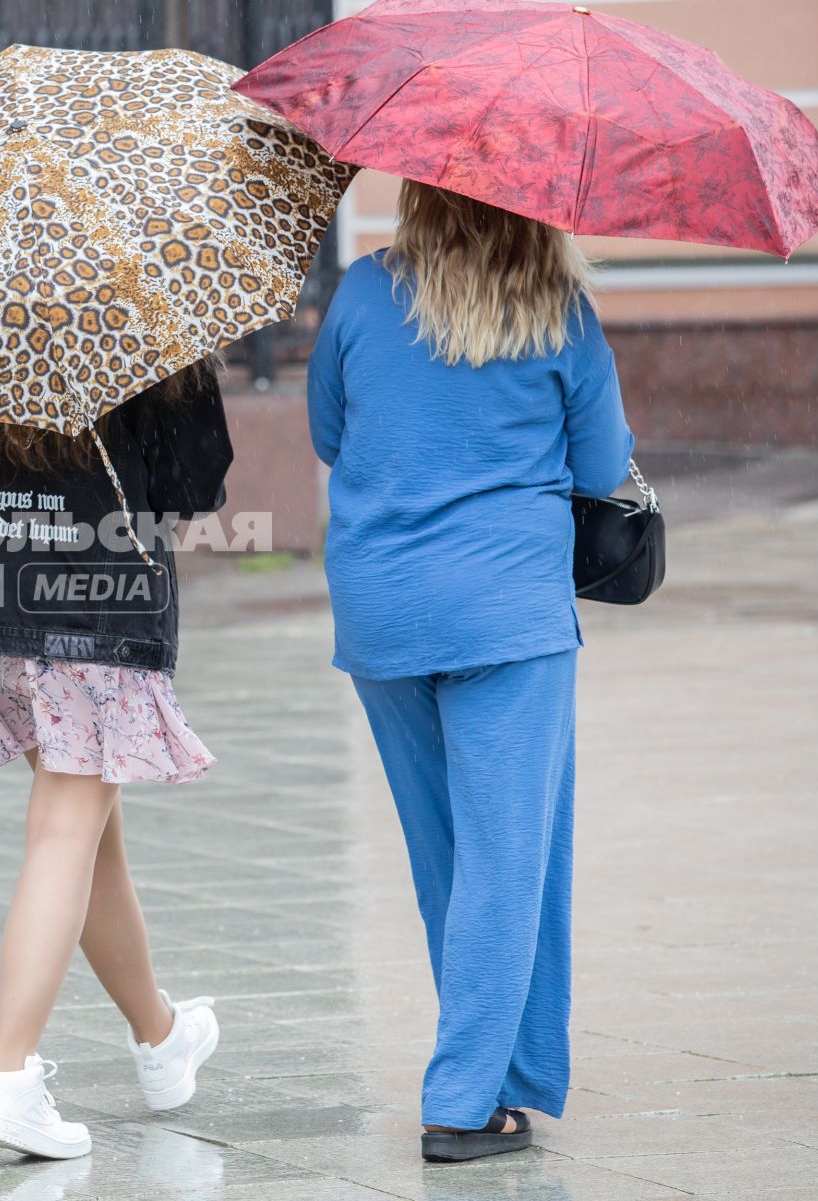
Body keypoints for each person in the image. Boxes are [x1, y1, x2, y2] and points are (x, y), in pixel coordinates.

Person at [307, 181, 634, 1163]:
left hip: (384, 607)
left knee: (445, 850)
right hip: (506, 611)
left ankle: (496, 1073)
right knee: (509, 854)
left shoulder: (364, 293)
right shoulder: (558, 312)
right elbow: (601, 464)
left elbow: (330, 433)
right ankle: (462, 1097)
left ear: (418, 195)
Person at [0, 366, 233, 1160]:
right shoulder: (141, 299)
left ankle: (161, 1037)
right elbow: (194, 481)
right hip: (91, 602)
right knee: (66, 832)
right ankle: (9, 1080)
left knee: (86, 830)